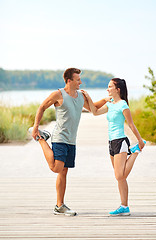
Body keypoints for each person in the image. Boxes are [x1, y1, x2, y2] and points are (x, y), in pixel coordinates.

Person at [29, 68, 110, 216]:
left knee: (64, 172)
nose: (80, 82)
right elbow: (42, 107)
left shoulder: (80, 96)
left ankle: (59, 205)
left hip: (72, 140)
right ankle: (41, 138)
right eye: (78, 79)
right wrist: (36, 127)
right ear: (69, 80)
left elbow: (93, 108)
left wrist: (105, 100)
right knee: (56, 168)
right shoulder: (58, 94)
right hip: (60, 137)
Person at [82, 78, 146, 216]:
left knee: (119, 175)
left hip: (121, 141)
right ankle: (124, 206)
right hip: (111, 143)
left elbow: (131, 125)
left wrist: (139, 140)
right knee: (121, 178)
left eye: (110, 87)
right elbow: (95, 112)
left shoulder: (123, 105)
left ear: (118, 89)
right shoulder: (110, 103)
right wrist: (88, 97)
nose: (107, 89)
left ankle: (135, 152)